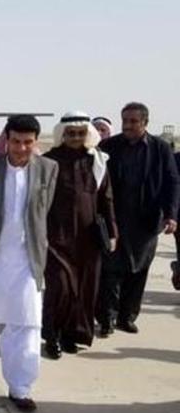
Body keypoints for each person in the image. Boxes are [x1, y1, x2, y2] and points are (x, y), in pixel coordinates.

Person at [0, 115, 58, 413]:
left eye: (28, 142)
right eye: (16, 141)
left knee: (27, 321)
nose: (21, 148)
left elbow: (45, 210)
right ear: (6, 140)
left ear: (36, 142)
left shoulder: (48, 169)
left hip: (27, 258)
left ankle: (20, 387)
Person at [97, 102, 179, 335]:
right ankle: (107, 319)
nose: (128, 126)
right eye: (125, 121)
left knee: (138, 270)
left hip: (146, 221)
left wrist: (171, 215)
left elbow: (172, 182)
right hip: (114, 219)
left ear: (145, 122)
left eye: (133, 121)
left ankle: (127, 317)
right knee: (110, 271)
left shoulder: (160, 149)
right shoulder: (108, 146)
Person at [42, 112, 118, 359]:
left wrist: (112, 232)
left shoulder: (97, 161)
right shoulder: (48, 161)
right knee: (60, 287)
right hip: (56, 235)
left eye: (80, 133)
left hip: (88, 237)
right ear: (62, 134)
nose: (75, 137)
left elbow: (106, 198)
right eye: (71, 133)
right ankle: (51, 336)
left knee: (85, 288)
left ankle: (71, 335)